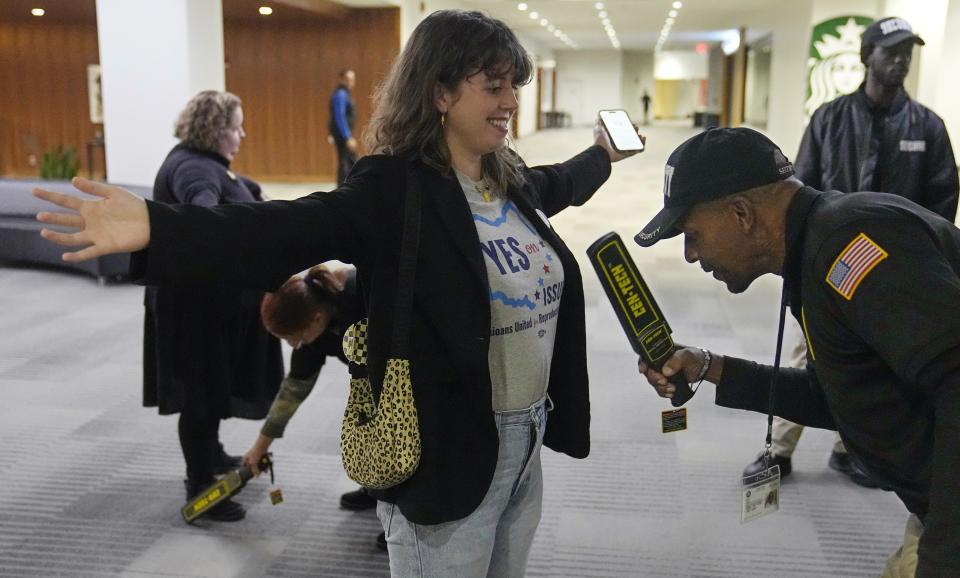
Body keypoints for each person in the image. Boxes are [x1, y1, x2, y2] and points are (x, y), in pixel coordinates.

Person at [32, 10, 641, 576]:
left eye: (515, 85)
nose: (511, 102)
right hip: (449, 441)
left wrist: (603, 155)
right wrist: (159, 226)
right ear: (440, 92)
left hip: (525, 437)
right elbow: (285, 230)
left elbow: (558, 183)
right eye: (494, 85)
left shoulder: (504, 180)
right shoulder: (395, 189)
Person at [634, 127, 960, 577]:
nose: (691, 254)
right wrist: (710, 367)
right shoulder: (817, 249)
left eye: (691, 233)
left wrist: (944, 558)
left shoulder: (852, 250)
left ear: (741, 214)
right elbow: (840, 395)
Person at [746, 16, 959, 487]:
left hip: (896, 276)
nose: (901, 59)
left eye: (908, 51)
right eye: (891, 51)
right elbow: (798, 188)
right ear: (867, 56)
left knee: (879, 360)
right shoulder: (830, 118)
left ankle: (852, 449)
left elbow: (942, 202)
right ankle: (779, 449)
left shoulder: (927, 126)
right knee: (807, 353)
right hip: (831, 264)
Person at [144, 90, 284, 522]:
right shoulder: (194, 170)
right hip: (195, 310)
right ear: (214, 129)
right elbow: (202, 219)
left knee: (210, 385)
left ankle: (212, 453)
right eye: (235, 127)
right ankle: (200, 486)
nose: (241, 134)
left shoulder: (197, 160)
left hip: (206, 305)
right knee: (199, 395)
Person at [242, 263, 387, 550]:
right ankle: (377, 490)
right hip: (370, 376)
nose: (294, 345)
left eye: (292, 338)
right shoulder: (313, 330)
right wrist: (260, 446)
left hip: (407, 370)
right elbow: (293, 391)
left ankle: (403, 520)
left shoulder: (365, 298)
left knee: (394, 435)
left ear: (316, 319)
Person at [328, 68, 358, 186]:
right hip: (342, 135)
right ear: (341, 80)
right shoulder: (340, 95)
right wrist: (347, 137)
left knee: (349, 162)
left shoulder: (345, 94)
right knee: (345, 163)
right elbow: (340, 116)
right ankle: (342, 189)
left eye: (352, 80)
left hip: (345, 134)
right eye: (347, 80)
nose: (350, 82)